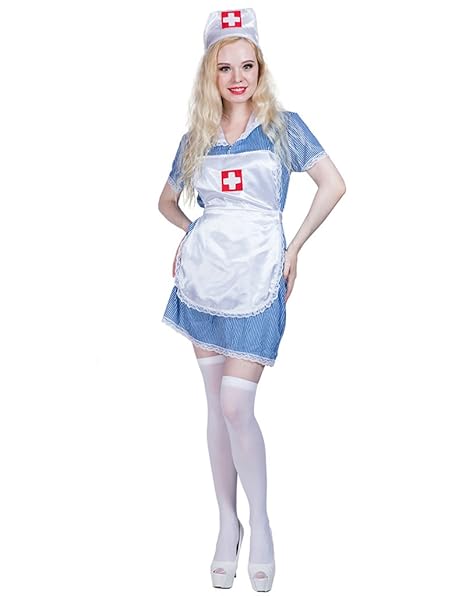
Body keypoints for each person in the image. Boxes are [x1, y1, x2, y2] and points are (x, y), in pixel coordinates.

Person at [158, 7, 346, 592]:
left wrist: (296, 248)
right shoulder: (196, 138)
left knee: (238, 405)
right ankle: (226, 523)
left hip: (259, 276)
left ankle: (260, 523)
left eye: (247, 66)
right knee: (215, 407)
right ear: (209, 73)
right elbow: (165, 202)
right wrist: (192, 234)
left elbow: (334, 184)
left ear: (260, 68)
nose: (237, 78)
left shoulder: (284, 127)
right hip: (204, 279)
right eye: (225, 67)